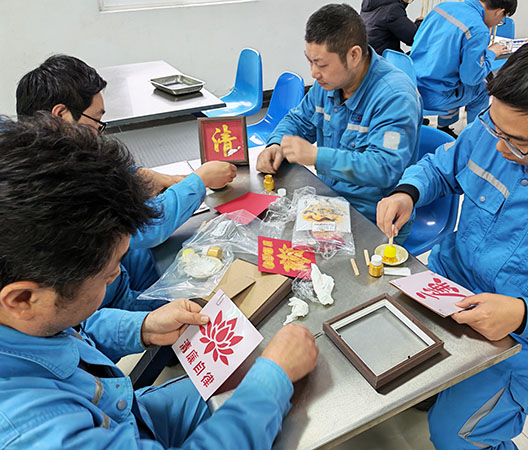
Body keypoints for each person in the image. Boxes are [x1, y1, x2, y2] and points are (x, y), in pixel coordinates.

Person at [0, 114, 319, 449]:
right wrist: (271, 379)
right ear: (22, 299)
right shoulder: (36, 433)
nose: (117, 275)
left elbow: (69, 332)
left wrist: (142, 326)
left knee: (242, 385)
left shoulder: (28, 316)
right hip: (124, 427)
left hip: (128, 413)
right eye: (109, 274)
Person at [376, 35, 528, 449]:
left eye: (519, 142)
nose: (499, 146)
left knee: (457, 436)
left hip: (522, 336)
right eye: (496, 127)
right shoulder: (498, 130)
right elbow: (444, 166)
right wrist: (409, 191)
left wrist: (523, 315)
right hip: (446, 285)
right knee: (385, 350)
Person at [16, 55, 237, 311]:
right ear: (61, 114)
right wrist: (199, 180)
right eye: (96, 121)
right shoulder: (59, 186)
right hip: (100, 303)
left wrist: (140, 175)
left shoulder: (39, 155)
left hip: (117, 280)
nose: (99, 133)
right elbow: (147, 226)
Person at [256, 3, 422, 242]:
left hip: (373, 218)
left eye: (321, 64)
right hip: (329, 202)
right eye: (310, 61)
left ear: (354, 55)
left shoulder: (395, 97)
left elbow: (384, 168)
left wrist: (315, 156)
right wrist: (276, 144)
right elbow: (298, 119)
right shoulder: (328, 85)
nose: (314, 73)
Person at [410, 0, 517, 137]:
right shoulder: (478, 29)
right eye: (502, 19)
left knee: (454, 79)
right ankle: (475, 137)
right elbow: (471, 78)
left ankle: (444, 127)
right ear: (499, 12)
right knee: (483, 89)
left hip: (412, 84)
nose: (498, 22)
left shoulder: (443, 7)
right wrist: (491, 53)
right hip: (434, 95)